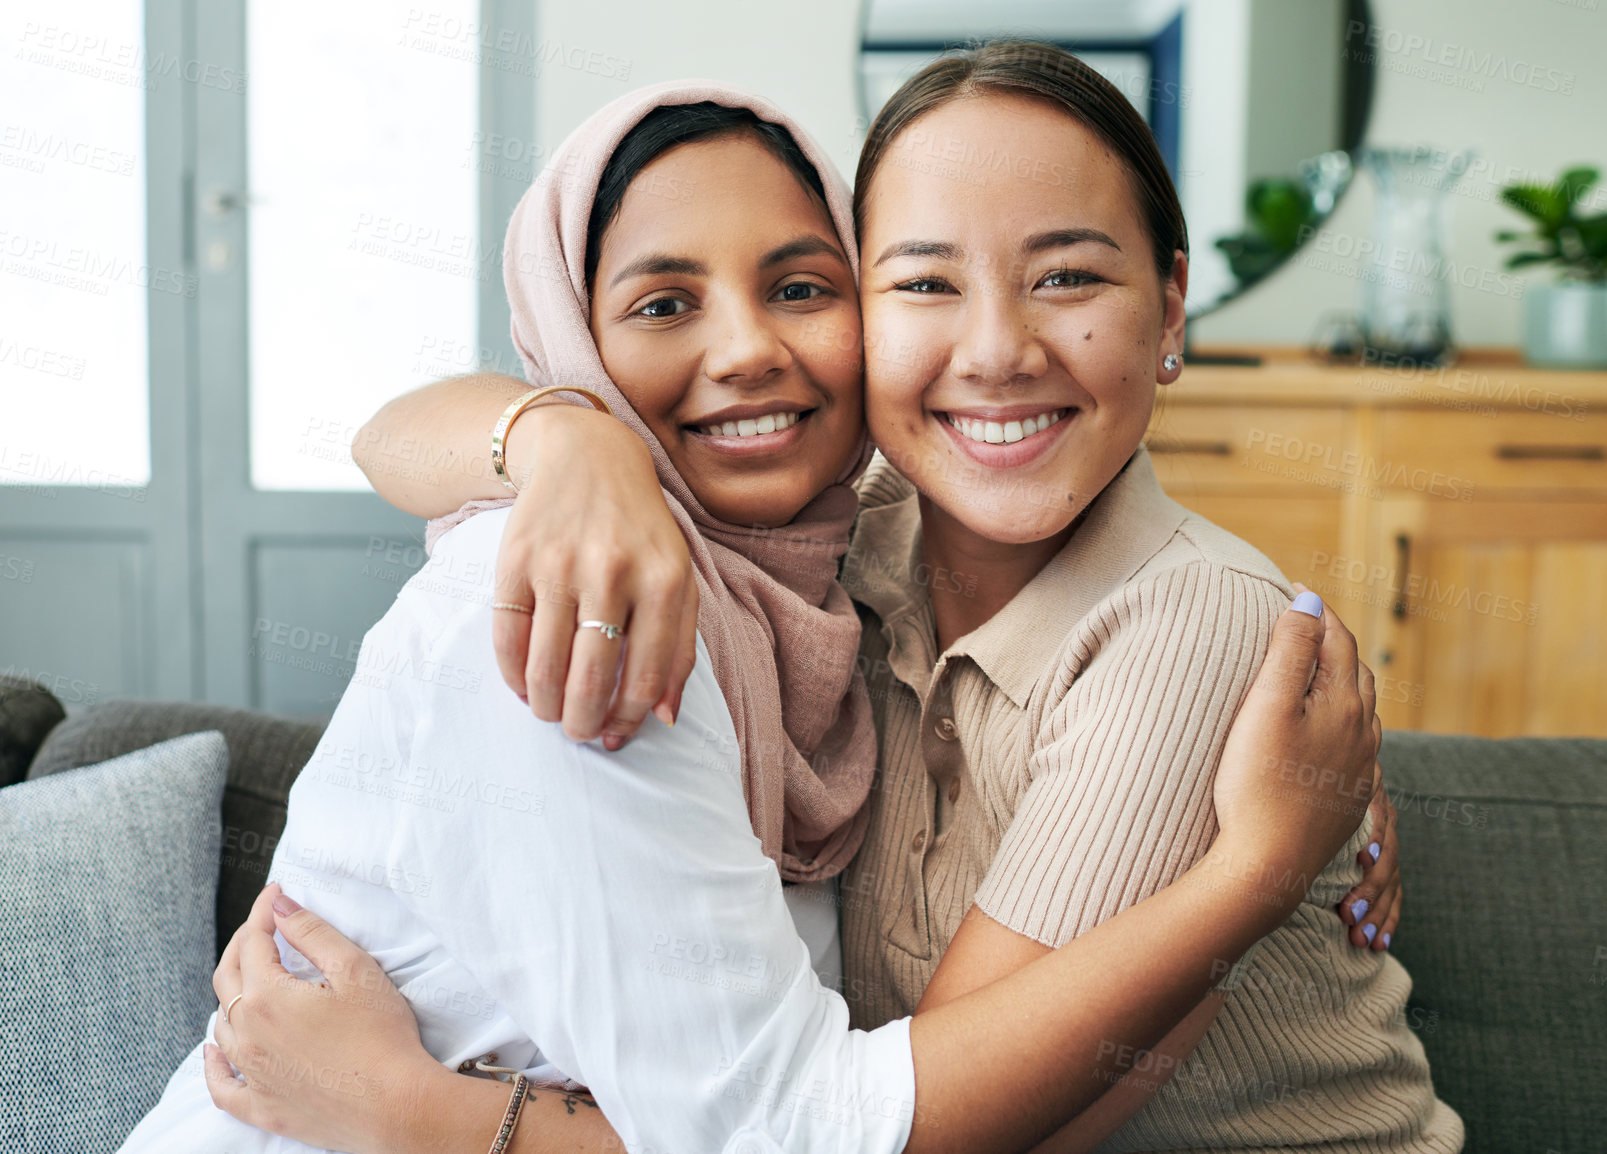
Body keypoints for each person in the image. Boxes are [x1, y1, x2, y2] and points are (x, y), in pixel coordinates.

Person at [122, 80, 1381, 1154]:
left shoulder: (813, 571)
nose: (993, 349)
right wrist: (567, 442)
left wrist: (1273, 863)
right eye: (926, 282)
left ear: (1172, 307)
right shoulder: (637, 592)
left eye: (799, 286)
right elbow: (390, 433)